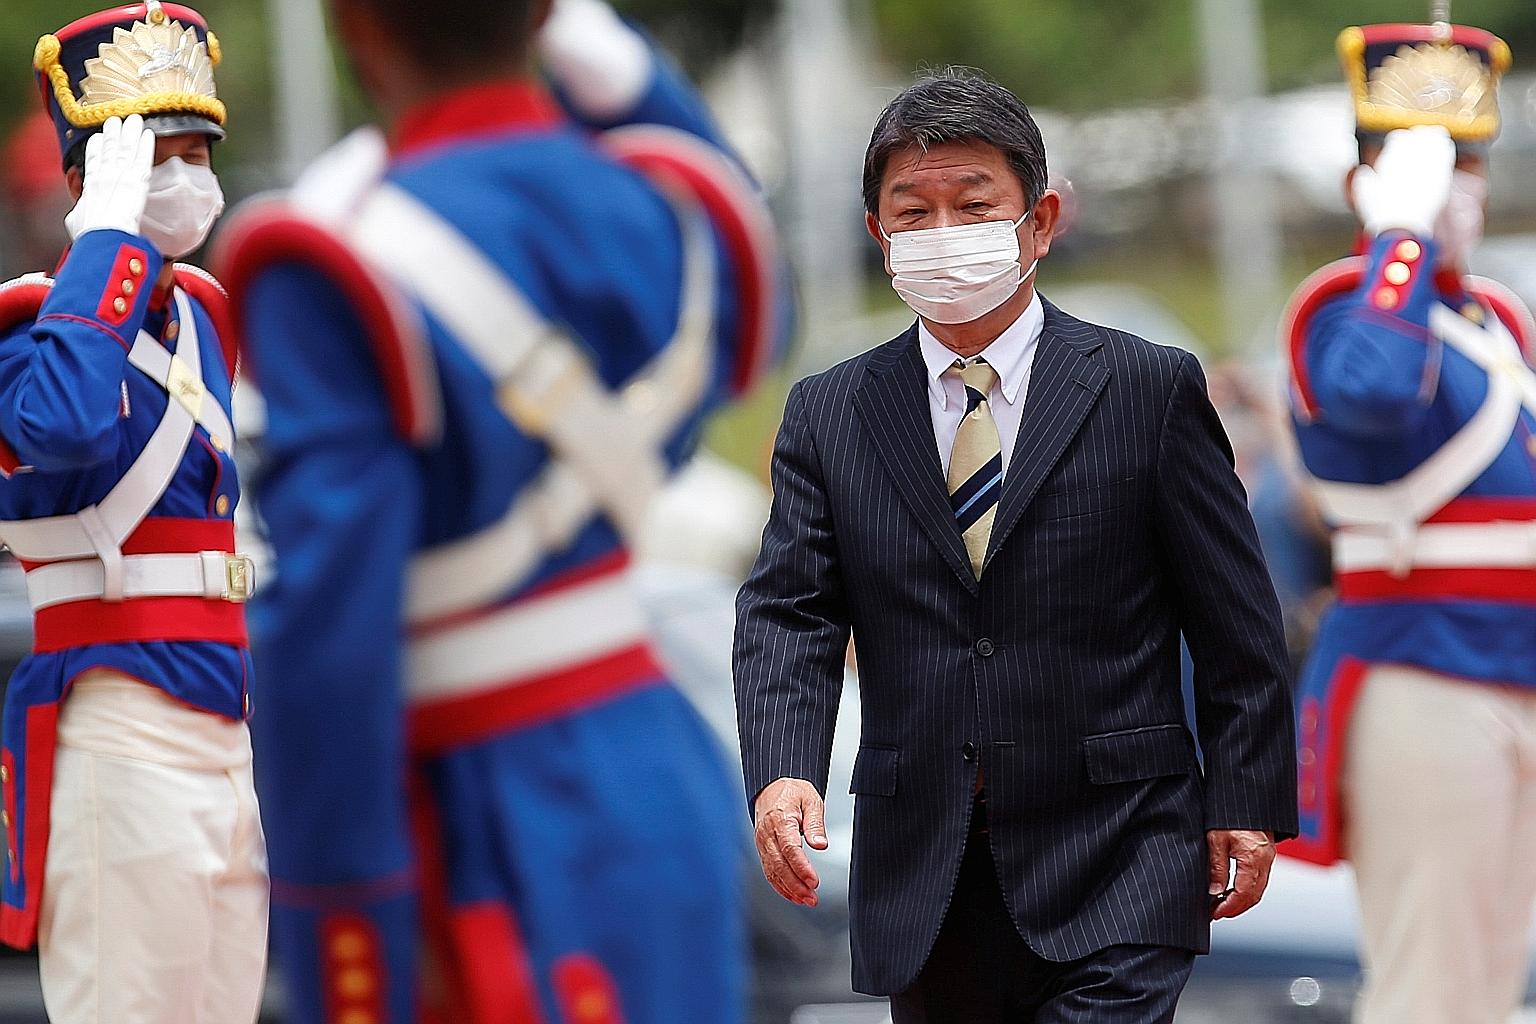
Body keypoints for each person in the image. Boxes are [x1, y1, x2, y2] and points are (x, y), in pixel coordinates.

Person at [215, 0, 790, 1020]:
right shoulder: (650, 206)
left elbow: (328, 641)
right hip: (662, 776)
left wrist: (344, 928)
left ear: (357, 28)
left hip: (483, 823)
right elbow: (757, 297)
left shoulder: (339, 262)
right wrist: (632, 76)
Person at [734, 67, 1298, 1024]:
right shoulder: (830, 414)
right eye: (912, 211)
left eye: (973, 204)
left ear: (1040, 219)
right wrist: (785, 765)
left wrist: (1245, 791)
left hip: (1121, 849)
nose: (944, 234)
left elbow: (1234, 616)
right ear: (877, 236)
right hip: (929, 865)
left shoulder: (1144, 389)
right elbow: (791, 609)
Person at [0, 3, 267, 1022]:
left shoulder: (203, 317)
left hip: (226, 725)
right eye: (153, 154)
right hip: (120, 723)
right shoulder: (31, 333)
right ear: (84, 176)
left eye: (200, 150)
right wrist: (105, 241)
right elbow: (61, 429)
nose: (187, 177)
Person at [1281, 12, 1536, 1024]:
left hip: (1517, 665)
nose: (1455, 187)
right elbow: (1375, 397)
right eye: (1425, 162)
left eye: (1467, 163)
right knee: (1430, 991)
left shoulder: (1496, 323)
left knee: (1491, 983)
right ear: (1365, 177)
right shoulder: (1347, 306)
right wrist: (1401, 237)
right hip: (1425, 672)